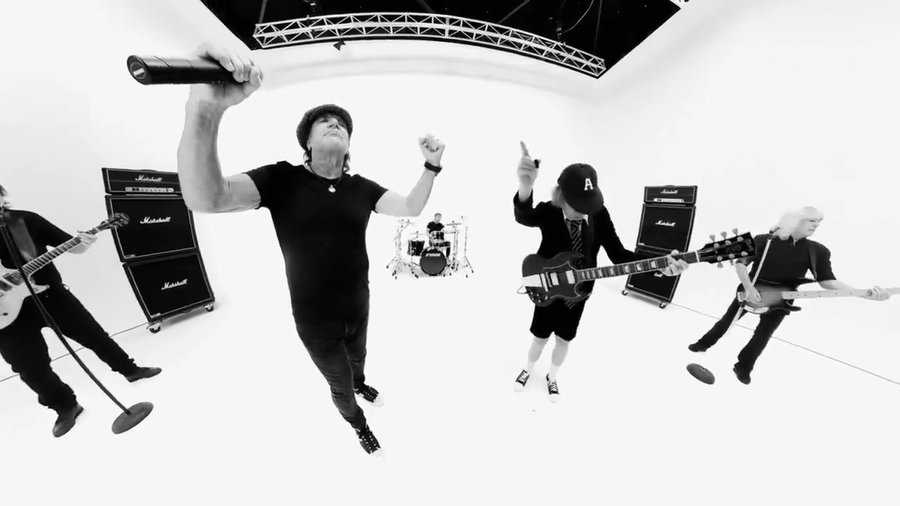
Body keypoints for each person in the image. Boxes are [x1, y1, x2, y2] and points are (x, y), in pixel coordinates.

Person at [175, 44, 446, 457]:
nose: (334, 123)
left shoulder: (362, 188)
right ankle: (358, 424)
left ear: (349, 144)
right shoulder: (282, 179)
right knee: (339, 385)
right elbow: (206, 198)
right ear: (307, 141)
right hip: (314, 322)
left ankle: (361, 382)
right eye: (324, 121)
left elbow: (410, 207)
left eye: (341, 123)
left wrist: (431, 167)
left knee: (358, 362)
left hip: (359, 307)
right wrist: (205, 111)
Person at [511, 143, 688, 402]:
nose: (584, 210)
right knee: (539, 337)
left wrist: (659, 264)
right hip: (546, 287)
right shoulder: (549, 211)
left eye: (588, 204)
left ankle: (552, 377)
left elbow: (620, 255)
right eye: (577, 205)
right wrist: (526, 185)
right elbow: (524, 216)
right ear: (561, 196)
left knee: (564, 340)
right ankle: (527, 370)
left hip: (579, 294)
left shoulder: (599, 214)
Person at [0, 184, 161, 437]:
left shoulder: (24, 220)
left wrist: (84, 242)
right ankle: (66, 406)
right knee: (30, 369)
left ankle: (130, 370)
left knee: (94, 336)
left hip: (51, 296)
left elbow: (73, 246)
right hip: (6, 319)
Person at [688, 206, 892, 384]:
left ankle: (744, 367)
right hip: (751, 290)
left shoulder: (818, 251)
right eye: (811, 220)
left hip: (782, 299)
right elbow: (741, 264)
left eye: (819, 222)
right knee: (726, 321)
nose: (816, 225)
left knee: (763, 335)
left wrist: (863, 294)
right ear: (794, 220)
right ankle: (703, 344)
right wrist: (749, 287)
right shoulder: (763, 240)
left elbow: (828, 282)